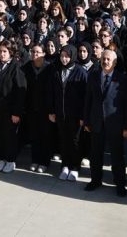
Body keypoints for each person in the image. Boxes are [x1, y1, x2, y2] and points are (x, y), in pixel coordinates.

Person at [83, 49, 127, 196]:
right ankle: (95, 180)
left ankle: (120, 184)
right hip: (96, 122)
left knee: (117, 157)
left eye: (108, 59)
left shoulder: (123, 79)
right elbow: (88, 100)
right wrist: (86, 121)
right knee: (95, 155)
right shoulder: (93, 76)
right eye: (103, 59)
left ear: (115, 62)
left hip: (115, 124)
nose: (105, 62)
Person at [0, 40, 27, 173]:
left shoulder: (16, 67)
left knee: (10, 136)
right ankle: (1, 158)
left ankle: (10, 160)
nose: (2, 54)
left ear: (10, 53)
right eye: (0, 51)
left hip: (10, 110)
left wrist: (17, 112)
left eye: (5, 51)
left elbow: (21, 91)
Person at [49, 45, 88, 181]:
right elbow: (52, 93)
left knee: (75, 141)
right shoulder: (56, 71)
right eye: (62, 56)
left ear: (72, 56)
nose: (64, 59)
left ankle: (75, 167)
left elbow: (85, 97)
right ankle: (65, 165)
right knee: (63, 140)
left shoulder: (81, 72)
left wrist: (83, 116)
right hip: (61, 114)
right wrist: (52, 111)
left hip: (76, 115)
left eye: (67, 56)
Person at [22, 43, 53, 173]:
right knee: (34, 136)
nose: (35, 54)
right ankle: (35, 160)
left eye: (38, 52)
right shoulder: (26, 68)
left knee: (45, 136)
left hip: (46, 109)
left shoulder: (49, 68)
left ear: (43, 54)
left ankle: (44, 161)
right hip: (31, 108)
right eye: (33, 52)